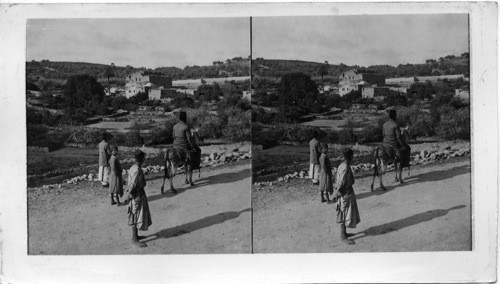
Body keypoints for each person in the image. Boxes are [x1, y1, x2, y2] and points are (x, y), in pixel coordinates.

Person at [333, 148, 360, 245]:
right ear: (351, 157)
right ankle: (343, 236)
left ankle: (344, 233)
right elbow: (341, 181)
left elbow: (338, 179)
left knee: (343, 213)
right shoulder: (345, 167)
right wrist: (337, 192)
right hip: (345, 193)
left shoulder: (341, 165)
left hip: (345, 193)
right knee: (344, 214)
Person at [126, 150, 152, 248]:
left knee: (135, 214)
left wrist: (129, 193)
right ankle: (134, 239)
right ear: (142, 159)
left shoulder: (133, 168)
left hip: (136, 194)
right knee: (135, 215)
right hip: (136, 195)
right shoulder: (137, 170)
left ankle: (136, 236)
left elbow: (129, 182)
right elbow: (133, 184)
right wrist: (130, 195)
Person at [172, 111, 196, 185]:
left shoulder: (174, 126)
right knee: (189, 160)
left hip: (175, 145)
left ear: (179, 118)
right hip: (183, 146)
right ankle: (189, 180)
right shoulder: (186, 127)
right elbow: (189, 139)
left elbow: (173, 137)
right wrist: (192, 147)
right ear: (185, 118)